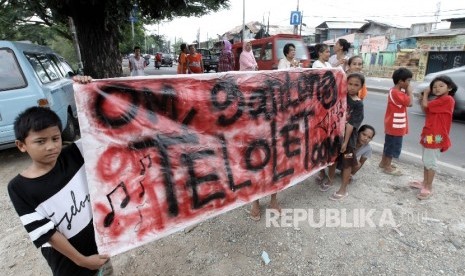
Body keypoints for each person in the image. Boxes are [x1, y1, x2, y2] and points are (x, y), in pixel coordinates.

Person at [7, 106, 112, 275]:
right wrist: (82, 260)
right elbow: (46, 233)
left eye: (55, 138)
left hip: (97, 242)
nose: (51, 146)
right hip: (67, 259)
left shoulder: (75, 154)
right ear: (21, 145)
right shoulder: (19, 187)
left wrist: (84, 86)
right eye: (40, 141)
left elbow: (101, 128)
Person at [316, 73, 364, 200]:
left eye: (356, 85)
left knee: (347, 163)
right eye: (350, 84)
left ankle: (343, 189)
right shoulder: (341, 96)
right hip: (335, 136)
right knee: (332, 159)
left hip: (348, 140)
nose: (352, 87)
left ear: (361, 87)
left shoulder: (358, 104)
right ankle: (330, 180)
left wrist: (345, 142)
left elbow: (351, 125)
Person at [409, 76, 457, 200]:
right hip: (429, 135)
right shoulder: (439, 100)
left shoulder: (447, 99)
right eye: (434, 86)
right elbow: (426, 109)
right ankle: (424, 182)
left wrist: (425, 93)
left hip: (437, 137)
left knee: (430, 163)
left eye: (441, 86)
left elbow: (426, 105)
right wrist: (423, 97)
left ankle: (428, 187)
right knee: (427, 160)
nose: (437, 88)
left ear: (450, 88)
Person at [378, 67, 414, 175]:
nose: (409, 83)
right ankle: (387, 166)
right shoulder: (397, 93)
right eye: (408, 81)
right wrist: (411, 92)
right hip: (395, 126)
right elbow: (410, 103)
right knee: (393, 146)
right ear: (400, 81)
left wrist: (406, 90)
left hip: (393, 124)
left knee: (389, 144)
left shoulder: (396, 90)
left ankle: (383, 163)